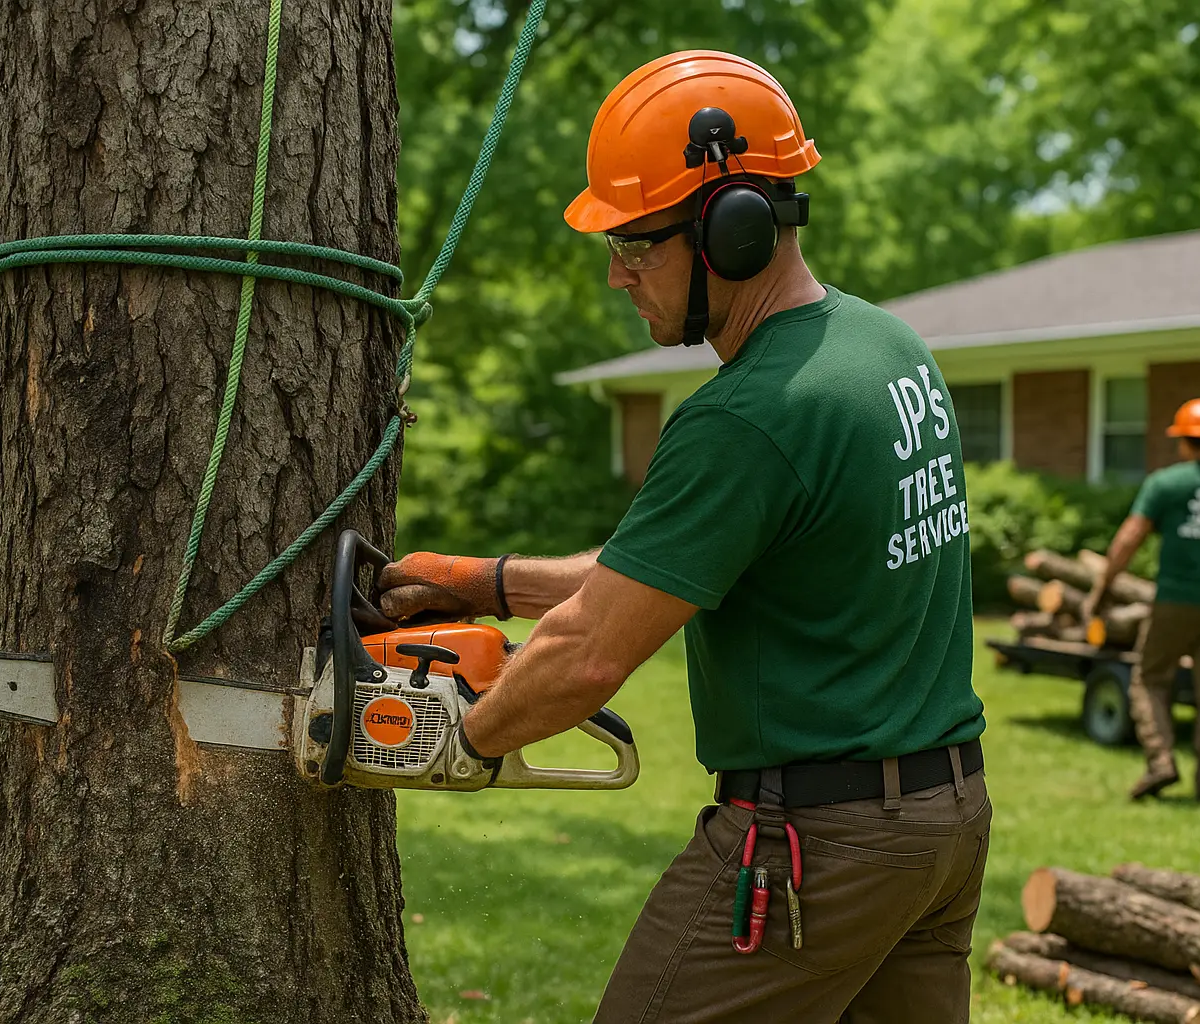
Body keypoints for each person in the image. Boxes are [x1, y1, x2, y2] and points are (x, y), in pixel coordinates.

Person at [374, 51, 989, 1022]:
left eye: (637, 244)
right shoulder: (885, 350)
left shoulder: (745, 417)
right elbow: (687, 566)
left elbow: (585, 659)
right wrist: (487, 582)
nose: (618, 275)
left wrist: (455, 734)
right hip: (942, 824)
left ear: (732, 231)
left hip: (816, 845)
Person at [1081, 398, 1200, 804]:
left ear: (1184, 439)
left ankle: (1161, 760)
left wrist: (1102, 586)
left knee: (1149, 680)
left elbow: (1129, 538)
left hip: (1174, 602)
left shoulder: (1166, 484)